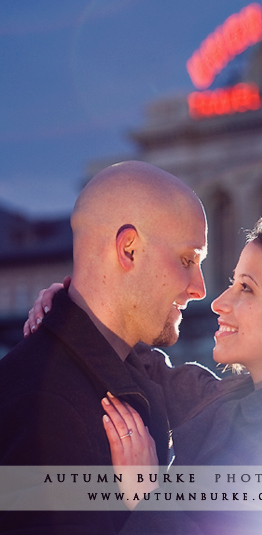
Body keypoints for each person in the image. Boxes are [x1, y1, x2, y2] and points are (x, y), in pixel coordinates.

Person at [28, 218, 262, 534]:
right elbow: (142, 364)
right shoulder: (221, 399)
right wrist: (71, 306)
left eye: (246, 288)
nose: (219, 302)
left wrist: (147, 495)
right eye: (232, 282)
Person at [0, 160, 212, 534]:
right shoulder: (47, 403)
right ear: (128, 249)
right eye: (187, 260)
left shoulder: (105, 373)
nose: (200, 288)